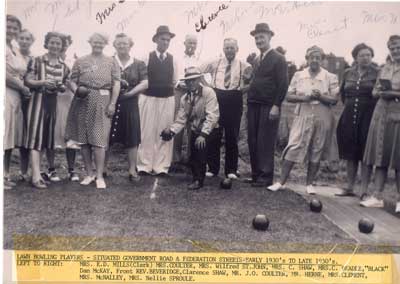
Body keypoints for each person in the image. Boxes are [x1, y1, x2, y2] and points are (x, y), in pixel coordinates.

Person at [268, 46, 339, 194]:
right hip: (302, 114)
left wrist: (321, 96)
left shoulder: (330, 77)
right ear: (307, 59)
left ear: (322, 59)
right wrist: (305, 98)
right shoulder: (299, 75)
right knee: (294, 146)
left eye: (318, 58)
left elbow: (334, 100)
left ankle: (310, 184)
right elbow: (289, 96)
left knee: (317, 148)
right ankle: (281, 182)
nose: (314, 60)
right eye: (311, 57)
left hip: (323, 116)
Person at [65, 33, 121, 189]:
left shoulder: (111, 61)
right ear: (90, 42)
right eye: (95, 42)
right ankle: (89, 173)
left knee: (99, 140)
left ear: (105, 43)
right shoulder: (81, 61)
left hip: (103, 100)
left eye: (101, 42)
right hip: (82, 101)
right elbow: (71, 80)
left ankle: (99, 176)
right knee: (83, 140)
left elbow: (116, 83)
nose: (98, 44)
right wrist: (77, 91)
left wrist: (112, 103)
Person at [24, 32, 70, 189]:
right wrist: (43, 82)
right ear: (47, 43)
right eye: (52, 42)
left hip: (52, 103)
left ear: (62, 46)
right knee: (35, 138)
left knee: (46, 139)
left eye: (58, 43)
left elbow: (64, 85)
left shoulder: (64, 66)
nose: (55, 46)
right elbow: (28, 81)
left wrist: (61, 87)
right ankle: (36, 176)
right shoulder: (36, 61)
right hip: (37, 101)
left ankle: (35, 171)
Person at [161, 67, 219, 190]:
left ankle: (199, 180)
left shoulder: (208, 92)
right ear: (185, 83)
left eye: (194, 80)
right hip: (195, 129)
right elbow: (181, 119)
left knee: (200, 149)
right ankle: (195, 174)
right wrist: (171, 131)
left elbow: (213, 116)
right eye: (188, 81)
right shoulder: (184, 98)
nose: (191, 83)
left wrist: (203, 134)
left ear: (199, 80)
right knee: (192, 156)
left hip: (211, 129)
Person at [201, 38, 251, 179]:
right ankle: (213, 168)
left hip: (234, 99)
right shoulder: (214, 62)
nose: (229, 50)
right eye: (227, 48)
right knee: (214, 134)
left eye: (232, 48)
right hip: (217, 97)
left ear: (237, 49)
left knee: (232, 136)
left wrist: (242, 90)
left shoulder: (244, 65)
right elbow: (199, 72)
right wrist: (208, 87)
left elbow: (252, 81)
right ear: (223, 49)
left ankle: (231, 169)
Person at [246, 23, 289, 187]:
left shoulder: (279, 58)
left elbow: (283, 84)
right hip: (253, 103)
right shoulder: (257, 59)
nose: (259, 40)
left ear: (270, 37)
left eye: (262, 37)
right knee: (253, 140)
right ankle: (256, 174)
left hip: (268, 105)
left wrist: (276, 105)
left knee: (265, 141)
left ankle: (265, 176)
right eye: (256, 38)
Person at [361, 35, 400, 212]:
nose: (395, 51)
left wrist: (392, 93)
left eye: (398, 47)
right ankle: (377, 196)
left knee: (398, 157)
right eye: (392, 48)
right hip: (381, 113)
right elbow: (375, 91)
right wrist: (382, 92)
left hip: (397, 114)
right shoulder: (384, 68)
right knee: (380, 155)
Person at [336, 43, 379, 198]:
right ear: (355, 57)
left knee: (365, 154)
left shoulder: (377, 73)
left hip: (368, 117)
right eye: (362, 55)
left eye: (368, 55)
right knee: (350, 152)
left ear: (372, 56)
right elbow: (342, 94)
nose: (365, 58)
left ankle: (364, 189)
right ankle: (349, 187)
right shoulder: (348, 73)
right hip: (348, 116)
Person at [137, 25, 178, 175]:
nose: (166, 42)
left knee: (164, 132)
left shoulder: (173, 59)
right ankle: (144, 166)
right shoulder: (146, 56)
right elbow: (141, 79)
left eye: (168, 40)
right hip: (148, 98)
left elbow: (175, 81)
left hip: (167, 99)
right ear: (156, 40)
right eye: (163, 39)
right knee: (146, 132)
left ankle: (161, 167)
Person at [107, 33, 148, 181]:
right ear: (114, 45)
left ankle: (132, 170)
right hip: (110, 102)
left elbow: (145, 83)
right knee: (106, 135)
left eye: (125, 43)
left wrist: (129, 94)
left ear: (130, 45)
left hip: (130, 103)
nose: (122, 46)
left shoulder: (139, 64)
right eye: (119, 43)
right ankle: (102, 169)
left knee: (132, 136)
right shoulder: (108, 62)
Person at [4, 15, 28, 189]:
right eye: (8, 26)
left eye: (15, 28)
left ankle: (5, 175)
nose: (11, 30)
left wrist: (22, 88)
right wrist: (22, 87)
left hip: (16, 95)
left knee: (9, 135)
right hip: (4, 92)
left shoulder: (14, 47)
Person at [52, 34, 80, 182]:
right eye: (60, 43)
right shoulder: (48, 60)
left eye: (65, 43)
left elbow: (75, 81)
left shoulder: (72, 61)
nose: (63, 45)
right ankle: (51, 169)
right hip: (53, 100)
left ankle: (71, 170)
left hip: (69, 100)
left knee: (71, 137)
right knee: (52, 136)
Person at [172, 34, 201, 170]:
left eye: (194, 43)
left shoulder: (199, 60)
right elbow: (173, 77)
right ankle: (176, 158)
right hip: (179, 92)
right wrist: (178, 83)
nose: (192, 46)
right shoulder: (177, 59)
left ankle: (191, 158)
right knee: (178, 122)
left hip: (194, 94)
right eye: (189, 43)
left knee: (193, 124)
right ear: (184, 43)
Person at [16, 28, 35, 182]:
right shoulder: (12, 55)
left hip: (29, 99)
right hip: (14, 94)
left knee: (27, 135)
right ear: (17, 39)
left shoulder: (34, 59)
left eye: (27, 39)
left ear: (31, 41)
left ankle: (25, 171)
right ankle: (6, 172)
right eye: (21, 38)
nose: (24, 41)